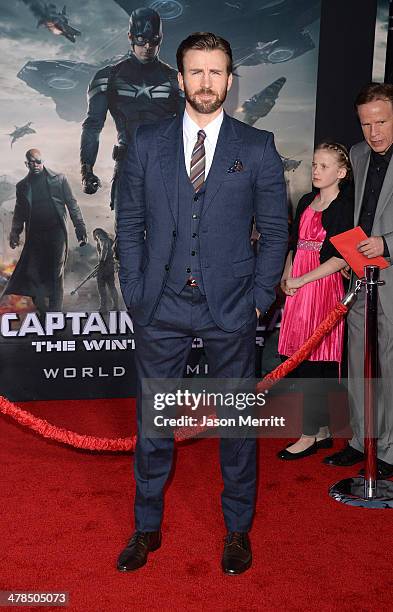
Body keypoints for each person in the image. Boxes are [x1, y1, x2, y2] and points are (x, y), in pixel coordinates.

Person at [116, 32, 288, 575]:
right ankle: (146, 527)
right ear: (181, 78)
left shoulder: (257, 146)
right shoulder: (147, 142)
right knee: (153, 425)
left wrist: (261, 298)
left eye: (216, 72)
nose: (206, 82)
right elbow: (129, 224)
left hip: (232, 306)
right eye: (196, 72)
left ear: (230, 81)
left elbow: (276, 231)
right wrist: (136, 292)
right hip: (160, 306)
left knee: (237, 427)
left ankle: (238, 530)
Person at [324, 83, 393, 477]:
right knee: (356, 361)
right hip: (359, 276)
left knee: (387, 363)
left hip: (391, 274)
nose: (374, 131)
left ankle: (387, 450)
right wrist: (352, 253)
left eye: (381, 121)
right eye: (366, 123)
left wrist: (387, 242)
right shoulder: (358, 153)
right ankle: (359, 440)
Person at [277, 143, 353, 460]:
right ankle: (320, 431)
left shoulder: (344, 206)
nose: (316, 171)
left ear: (341, 172)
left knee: (315, 363)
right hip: (299, 288)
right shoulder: (307, 200)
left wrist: (302, 280)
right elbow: (294, 244)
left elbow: (339, 259)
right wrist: (286, 276)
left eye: (323, 166)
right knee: (305, 361)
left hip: (322, 288)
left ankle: (308, 434)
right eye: (314, 165)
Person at [80, 7, 184, 209]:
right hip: (128, 166)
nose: (147, 46)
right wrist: (87, 170)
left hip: (166, 169)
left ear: (160, 39)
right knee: (127, 236)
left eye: (153, 40)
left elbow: (189, 128)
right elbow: (93, 125)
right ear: (130, 37)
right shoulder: (108, 77)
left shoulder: (175, 80)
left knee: (166, 237)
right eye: (141, 39)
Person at [3, 148, 87, 314]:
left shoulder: (59, 179)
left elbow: (72, 204)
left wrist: (80, 227)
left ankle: (54, 313)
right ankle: (42, 311)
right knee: (34, 274)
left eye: (38, 161)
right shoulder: (23, 186)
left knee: (56, 272)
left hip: (57, 233)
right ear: (26, 164)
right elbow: (19, 212)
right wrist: (15, 233)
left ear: (43, 161)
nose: (36, 165)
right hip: (35, 235)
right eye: (32, 162)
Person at [92, 228, 119, 312]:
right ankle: (115, 306)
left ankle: (103, 307)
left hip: (105, 267)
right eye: (96, 235)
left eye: (97, 234)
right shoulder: (109, 240)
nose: (97, 236)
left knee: (101, 287)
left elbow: (104, 250)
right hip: (110, 266)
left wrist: (101, 262)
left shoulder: (102, 239)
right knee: (111, 287)